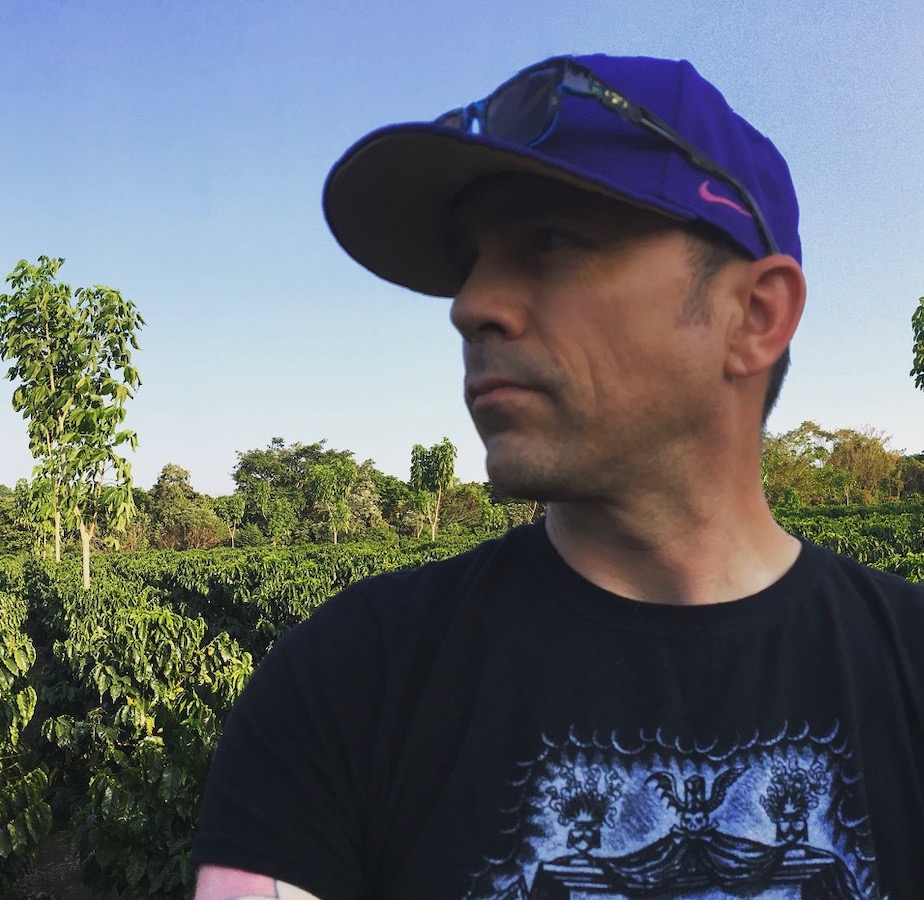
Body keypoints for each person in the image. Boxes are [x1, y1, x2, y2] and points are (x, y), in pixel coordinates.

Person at [192, 54, 924, 899]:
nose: (470, 305)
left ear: (753, 317)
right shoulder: (347, 681)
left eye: (549, 240)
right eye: (470, 259)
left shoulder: (906, 671)